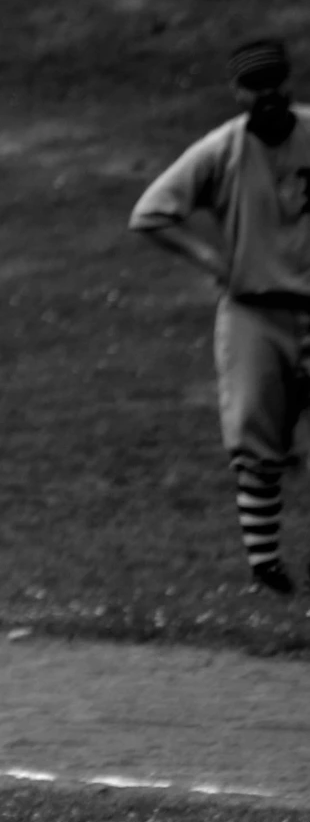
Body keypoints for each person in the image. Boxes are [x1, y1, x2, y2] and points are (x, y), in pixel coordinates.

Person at [132, 37, 310, 597]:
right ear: (238, 93)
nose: (269, 95)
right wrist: (212, 259)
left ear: (289, 80)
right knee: (255, 441)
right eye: (256, 87)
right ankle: (266, 567)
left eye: (275, 82)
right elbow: (151, 211)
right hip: (253, 311)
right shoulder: (221, 149)